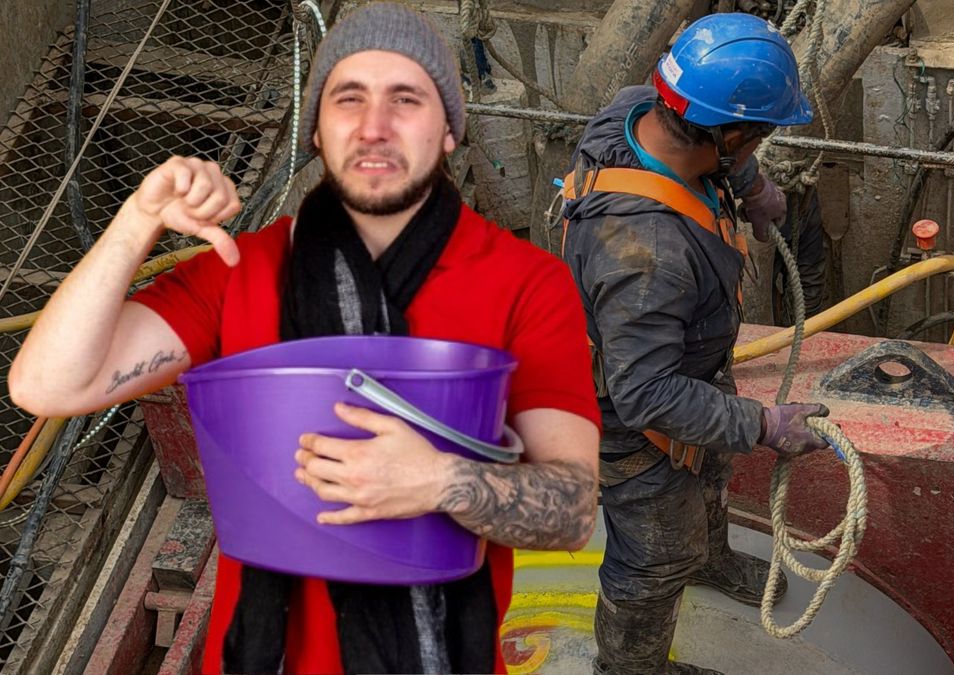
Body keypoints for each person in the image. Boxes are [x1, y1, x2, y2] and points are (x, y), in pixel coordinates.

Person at [10, 4, 600, 673]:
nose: (374, 126)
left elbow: (572, 510)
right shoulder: (242, 270)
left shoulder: (527, 281)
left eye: (406, 99)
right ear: (317, 130)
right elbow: (47, 385)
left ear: (448, 132)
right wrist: (137, 221)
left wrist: (442, 480)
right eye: (348, 99)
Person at [560, 13, 835, 675]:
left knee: (709, 465)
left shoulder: (634, 110)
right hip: (631, 415)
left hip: (680, 358)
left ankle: (708, 559)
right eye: (758, 139)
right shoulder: (648, 255)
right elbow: (646, 395)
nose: (758, 146)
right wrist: (763, 424)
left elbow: (716, 143)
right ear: (731, 136)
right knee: (654, 556)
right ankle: (630, 668)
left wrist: (752, 186)